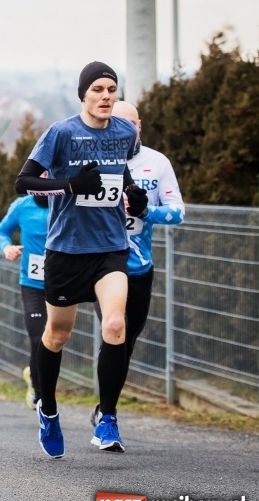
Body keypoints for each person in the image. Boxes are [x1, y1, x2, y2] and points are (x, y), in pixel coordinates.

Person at [14, 61, 148, 458]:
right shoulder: (61, 133)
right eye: (98, 90)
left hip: (110, 247)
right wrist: (70, 185)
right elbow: (25, 182)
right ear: (83, 95)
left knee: (116, 324)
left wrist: (133, 193)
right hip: (66, 251)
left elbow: (119, 172)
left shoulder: (125, 132)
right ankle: (49, 410)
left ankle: (107, 418)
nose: (106, 96)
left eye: (112, 89)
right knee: (57, 336)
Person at [89, 101, 186, 426]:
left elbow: (178, 211)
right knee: (114, 328)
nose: (124, 131)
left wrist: (146, 212)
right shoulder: (93, 160)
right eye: (116, 123)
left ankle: (106, 399)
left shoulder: (157, 163)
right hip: (102, 264)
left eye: (130, 124)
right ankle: (108, 416)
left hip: (139, 267)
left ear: (139, 126)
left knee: (126, 341)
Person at [0, 193, 50, 410]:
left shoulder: (65, 202)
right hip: (32, 284)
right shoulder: (21, 206)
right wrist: (7, 247)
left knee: (56, 338)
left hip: (62, 284)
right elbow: (1, 232)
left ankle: (35, 375)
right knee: (38, 336)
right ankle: (40, 391)